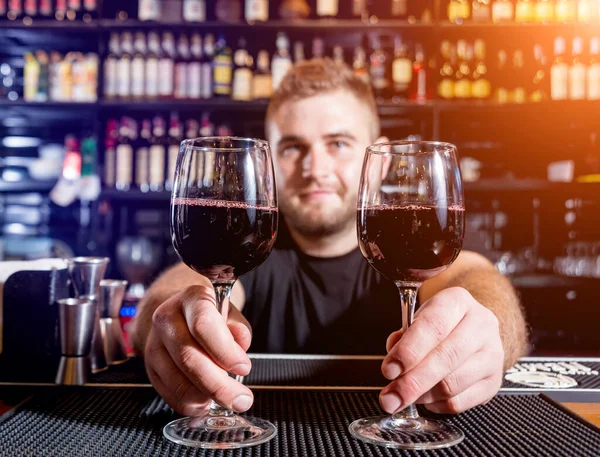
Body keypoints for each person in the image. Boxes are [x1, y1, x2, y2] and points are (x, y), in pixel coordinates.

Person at [131, 58, 528, 419]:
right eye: (292, 148)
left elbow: (475, 281)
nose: (315, 168)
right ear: (269, 161)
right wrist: (170, 321)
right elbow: (182, 288)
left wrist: (489, 329)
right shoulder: (248, 232)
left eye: (338, 144)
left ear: (383, 159)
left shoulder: (413, 231)